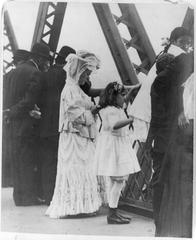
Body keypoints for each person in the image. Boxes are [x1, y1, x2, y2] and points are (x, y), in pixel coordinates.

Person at [46, 51, 102, 218]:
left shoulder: (75, 88)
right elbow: (75, 115)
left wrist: (91, 110)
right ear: (79, 71)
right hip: (74, 137)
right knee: (76, 167)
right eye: (86, 73)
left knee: (82, 167)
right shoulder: (70, 89)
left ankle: (81, 205)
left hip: (79, 136)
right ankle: (76, 206)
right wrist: (95, 110)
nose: (87, 77)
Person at [3, 42, 50, 206]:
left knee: (17, 159)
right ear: (39, 58)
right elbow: (30, 100)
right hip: (27, 124)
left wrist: (9, 112)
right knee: (28, 160)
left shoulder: (10, 74)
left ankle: (19, 197)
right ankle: (28, 197)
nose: (47, 64)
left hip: (12, 125)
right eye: (46, 60)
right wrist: (15, 111)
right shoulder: (35, 73)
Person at [94, 82, 141, 224]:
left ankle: (113, 212)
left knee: (115, 180)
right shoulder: (112, 110)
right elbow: (114, 125)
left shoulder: (113, 107)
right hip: (114, 146)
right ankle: (112, 212)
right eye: (122, 95)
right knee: (118, 180)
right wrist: (131, 119)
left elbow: (124, 101)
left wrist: (132, 90)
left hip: (114, 144)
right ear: (113, 96)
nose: (124, 98)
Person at [38, 46, 76, 205]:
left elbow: (39, 99)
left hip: (44, 125)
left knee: (47, 161)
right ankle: (58, 196)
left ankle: (48, 196)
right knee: (61, 161)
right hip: (60, 126)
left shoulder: (45, 75)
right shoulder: (66, 76)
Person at [2, 49, 31, 187]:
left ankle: (14, 187)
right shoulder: (29, 72)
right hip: (24, 120)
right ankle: (26, 192)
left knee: (14, 156)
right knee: (25, 158)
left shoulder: (7, 76)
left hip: (9, 120)